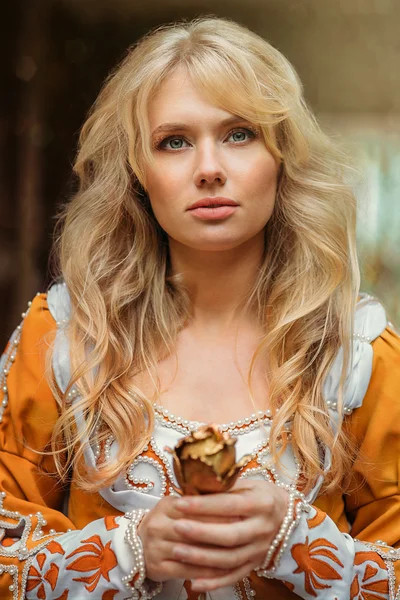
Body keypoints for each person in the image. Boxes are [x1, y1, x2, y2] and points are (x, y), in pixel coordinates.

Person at [0, 15, 399, 600]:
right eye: (174, 141)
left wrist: (300, 543)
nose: (209, 168)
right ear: (138, 174)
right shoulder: (62, 340)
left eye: (239, 134)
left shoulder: (359, 354)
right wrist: (129, 549)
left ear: (282, 157)